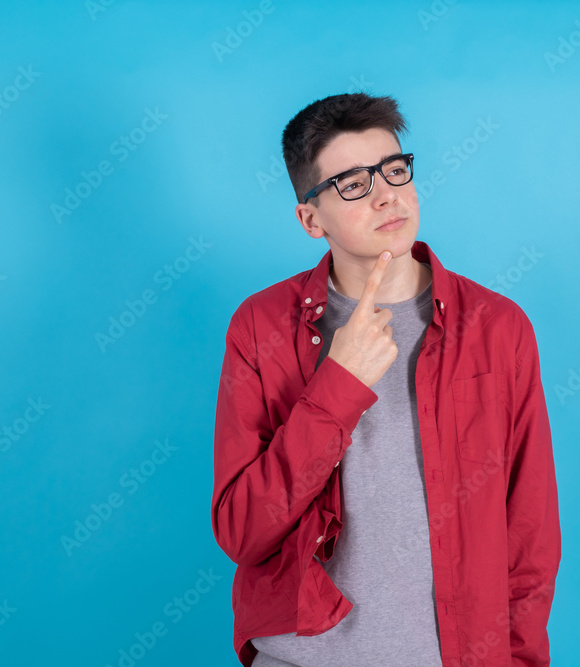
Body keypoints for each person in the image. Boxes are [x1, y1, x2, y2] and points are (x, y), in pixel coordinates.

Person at [211, 92, 560, 666]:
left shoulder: (498, 328)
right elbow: (243, 532)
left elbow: (529, 534)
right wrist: (338, 386)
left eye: (393, 169)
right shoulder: (260, 326)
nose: (385, 195)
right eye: (352, 183)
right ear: (310, 219)